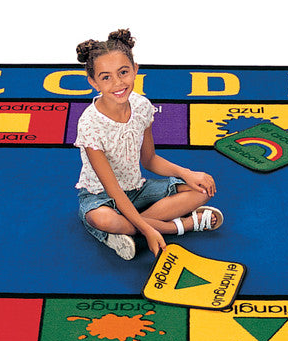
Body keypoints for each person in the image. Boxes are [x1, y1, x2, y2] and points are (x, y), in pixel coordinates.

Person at [74, 29, 222, 260]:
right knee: (103, 219)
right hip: (100, 197)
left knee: (201, 190)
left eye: (123, 72)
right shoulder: (90, 124)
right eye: (106, 77)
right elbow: (113, 190)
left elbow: (149, 160)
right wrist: (154, 229)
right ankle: (177, 226)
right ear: (93, 82)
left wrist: (188, 173)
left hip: (137, 189)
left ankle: (127, 230)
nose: (117, 83)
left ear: (135, 69)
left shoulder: (141, 106)